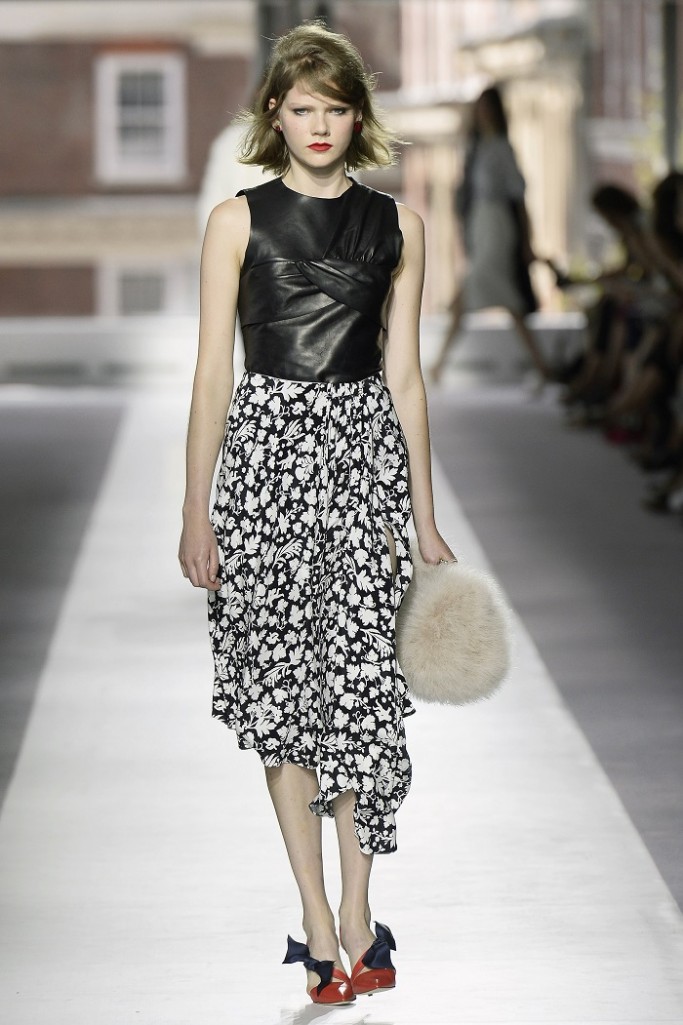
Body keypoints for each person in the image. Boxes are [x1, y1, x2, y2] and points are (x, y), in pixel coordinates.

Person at [178, 22, 455, 1007]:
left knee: (360, 696)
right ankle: (315, 915)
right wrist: (195, 509)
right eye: (303, 108)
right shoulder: (235, 222)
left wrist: (422, 515)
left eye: (336, 108)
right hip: (261, 471)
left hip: (358, 467)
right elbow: (212, 375)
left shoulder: (397, 226)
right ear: (275, 115)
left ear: (357, 115)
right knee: (286, 701)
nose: (321, 125)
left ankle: (356, 908)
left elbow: (405, 378)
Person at [431, 85, 550, 383]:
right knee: (503, 298)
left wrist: (527, 241)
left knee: (482, 291)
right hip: (481, 226)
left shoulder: (501, 148)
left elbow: (518, 197)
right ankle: (541, 366)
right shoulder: (475, 149)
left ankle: (439, 364)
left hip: (497, 226)